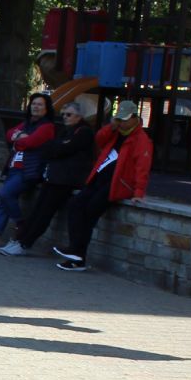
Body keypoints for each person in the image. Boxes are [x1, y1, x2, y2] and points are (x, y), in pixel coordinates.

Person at [53, 99, 153, 272]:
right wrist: (110, 127)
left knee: (91, 210)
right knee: (75, 204)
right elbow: (99, 140)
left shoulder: (142, 140)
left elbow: (142, 167)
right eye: (119, 119)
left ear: (135, 118)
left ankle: (77, 253)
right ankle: (76, 253)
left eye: (124, 120)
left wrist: (138, 192)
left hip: (118, 183)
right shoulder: (115, 132)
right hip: (100, 178)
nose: (121, 123)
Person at [0, 100, 93, 256]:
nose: (65, 117)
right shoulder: (65, 131)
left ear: (79, 116)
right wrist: (57, 148)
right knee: (37, 210)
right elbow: (49, 148)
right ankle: (20, 240)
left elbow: (63, 149)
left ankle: (25, 243)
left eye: (69, 114)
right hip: (54, 177)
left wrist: (57, 148)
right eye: (63, 114)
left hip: (66, 180)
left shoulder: (84, 132)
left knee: (44, 213)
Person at [0, 93, 54, 247]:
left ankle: (20, 224)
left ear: (46, 108)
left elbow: (30, 142)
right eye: (34, 103)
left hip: (28, 171)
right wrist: (21, 137)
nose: (35, 107)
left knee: (5, 194)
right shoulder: (27, 124)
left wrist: (18, 140)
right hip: (13, 169)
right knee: (4, 201)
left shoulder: (47, 127)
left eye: (40, 104)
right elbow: (9, 134)